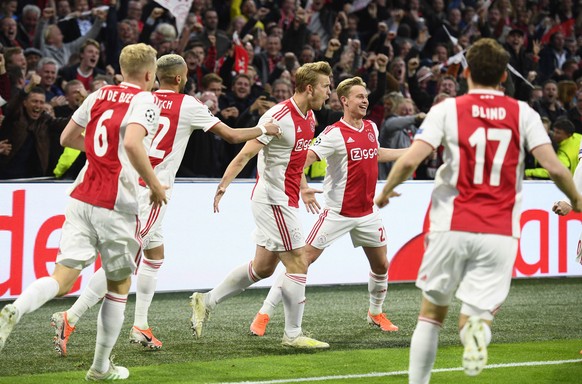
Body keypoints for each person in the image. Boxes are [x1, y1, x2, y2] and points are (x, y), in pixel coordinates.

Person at [374, 38, 582, 383]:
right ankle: (475, 333)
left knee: (431, 313)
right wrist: (577, 202)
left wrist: (386, 192)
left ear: (466, 71)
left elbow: (412, 158)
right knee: (477, 314)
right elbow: (557, 169)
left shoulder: (448, 109)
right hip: (499, 231)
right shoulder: (524, 114)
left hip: (451, 224)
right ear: (504, 76)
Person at [49, 53, 281, 356]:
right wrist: (265, 130)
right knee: (123, 262)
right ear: (180, 78)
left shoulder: (141, 99)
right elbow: (232, 135)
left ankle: (140, 325)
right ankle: (71, 316)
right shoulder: (188, 105)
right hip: (150, 192)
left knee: (155, 254)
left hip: (129, 183)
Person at [0, 43, 167, 381]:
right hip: (116, 204)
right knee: (119, 285)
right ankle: (100, 368)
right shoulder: (146, 99)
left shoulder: (100, 94)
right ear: (150, 75)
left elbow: (66, 137)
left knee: (61, 279)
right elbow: (134, 144)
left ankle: (17, 308)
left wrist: (104, 153)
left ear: (121, 71)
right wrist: (154, 184)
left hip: (81, 196)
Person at [190, 61, 333, 349]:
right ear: (309, 88)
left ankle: (206, 300)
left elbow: (295, 160)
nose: (328, 93)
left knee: (263, 268)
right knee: (298, 262)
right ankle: (292, 335)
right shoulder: (278, 117)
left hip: (287, 198)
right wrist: (223, 185)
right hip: (273, 198)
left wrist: (304, 188)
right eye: (326, 87)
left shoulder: (309, 117)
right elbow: (245, 153)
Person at [248, 76, 405, 338]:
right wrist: (303, 187)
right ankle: (264, 313)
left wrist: (410, 152)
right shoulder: (332, 134)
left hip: (367, 213)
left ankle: (375, 312)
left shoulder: (370, 128)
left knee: (381, 266)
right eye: (359, 96)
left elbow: (375, 153)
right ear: (344, 101)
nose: (365, 100)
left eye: (366, 96)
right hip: (336, 213)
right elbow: (301, 160)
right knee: (300, 261)